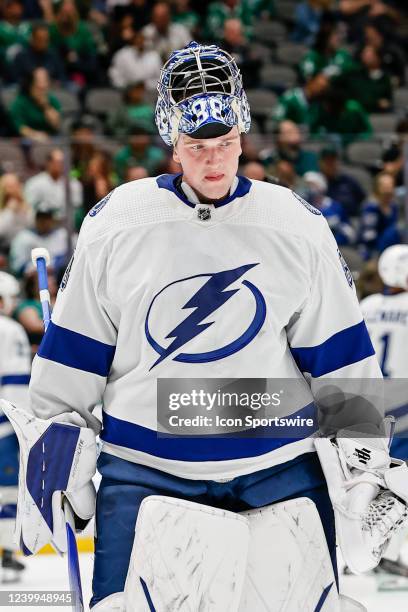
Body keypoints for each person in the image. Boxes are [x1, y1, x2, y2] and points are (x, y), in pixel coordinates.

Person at [6, 41, 408, 611]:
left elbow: (342, 362)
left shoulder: (295, 226)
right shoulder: (118, 225)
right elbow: (73, 358)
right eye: (198, 147)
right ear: (173, 144)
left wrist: (364, 464)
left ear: (243, 133)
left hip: (280, 470)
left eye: (226, 143)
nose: (215, 161)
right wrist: (56, 442)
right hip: (146, 474)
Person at [360, 245, 408, 581]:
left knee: (367, 479)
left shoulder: (367, 305)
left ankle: (357, 550)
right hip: (405, 404)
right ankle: (390, 552)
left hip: (370, 402)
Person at [0, 272, 31, 581]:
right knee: (8, 494)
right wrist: (21, 426)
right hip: (3, 431)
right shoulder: (10, 330)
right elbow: (16, 384)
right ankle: (6, 557)